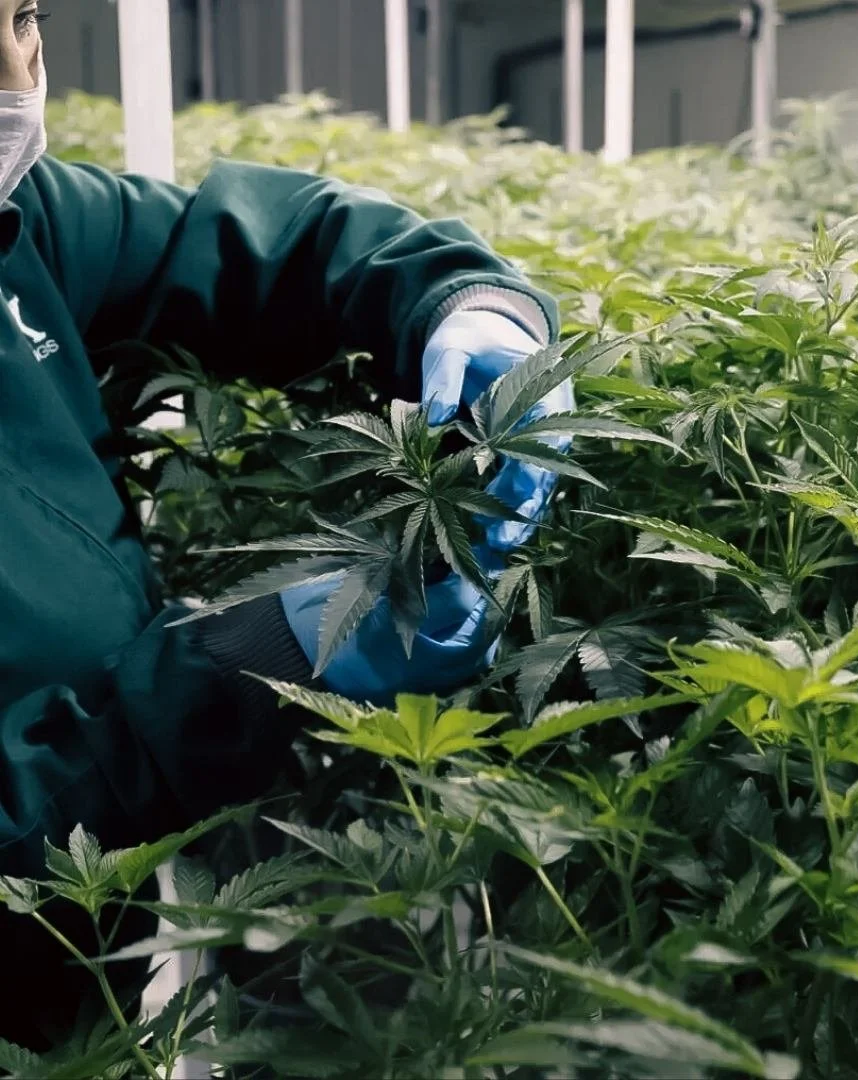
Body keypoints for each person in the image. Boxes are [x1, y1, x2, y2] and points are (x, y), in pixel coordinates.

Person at [0, 1, 569, 1049]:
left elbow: (257, 246)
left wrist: (466, 305)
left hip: (116, 955)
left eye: (24, 15)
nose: (12, 68)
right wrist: (246, 657)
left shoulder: (19, 234)